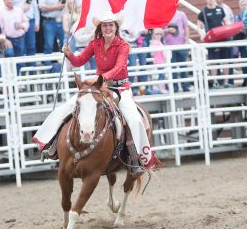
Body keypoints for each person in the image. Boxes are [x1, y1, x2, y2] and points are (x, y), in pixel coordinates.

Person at [33, 10, 161, 174]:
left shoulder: (123, 46)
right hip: (98, 87)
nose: (108, 28)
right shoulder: (95, 44)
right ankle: (48, 144)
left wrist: (101, 78)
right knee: (66, 107)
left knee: (135, 119)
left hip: (119, 88)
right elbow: (79, 61)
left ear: (116, 28)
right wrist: (70, 55)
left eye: (111, 25)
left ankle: (138, 158)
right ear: (100, 28)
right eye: (105, 25)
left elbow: (119, 67)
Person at [197, 0, 230, 88]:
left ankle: (226, 81)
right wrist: (202, 34)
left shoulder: (220, 9)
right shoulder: (203, 12)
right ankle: (215, 81)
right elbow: (199, 26)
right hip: (212, 39)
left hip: (222, 38)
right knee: (213, 61)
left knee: (225, 61)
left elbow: (226, 22)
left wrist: (230, 29)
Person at [38, 0, 66, 66]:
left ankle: (64, 66)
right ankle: (47, 66)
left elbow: (63, 6)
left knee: (63, 44)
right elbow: (42, 8)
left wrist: (51, 7)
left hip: (61, 21)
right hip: (49, 21)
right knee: (48, 45)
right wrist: (57, 7)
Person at [163, 10, 190, 92]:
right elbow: (159, 31)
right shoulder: (164, 15)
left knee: (183, 67)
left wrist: (187, 40)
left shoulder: (181, 14)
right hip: (169, 46)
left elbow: (186, 27)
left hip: (181, 44)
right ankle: (174, 87)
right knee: (172, 68)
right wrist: (167, 30)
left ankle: (185, 86)